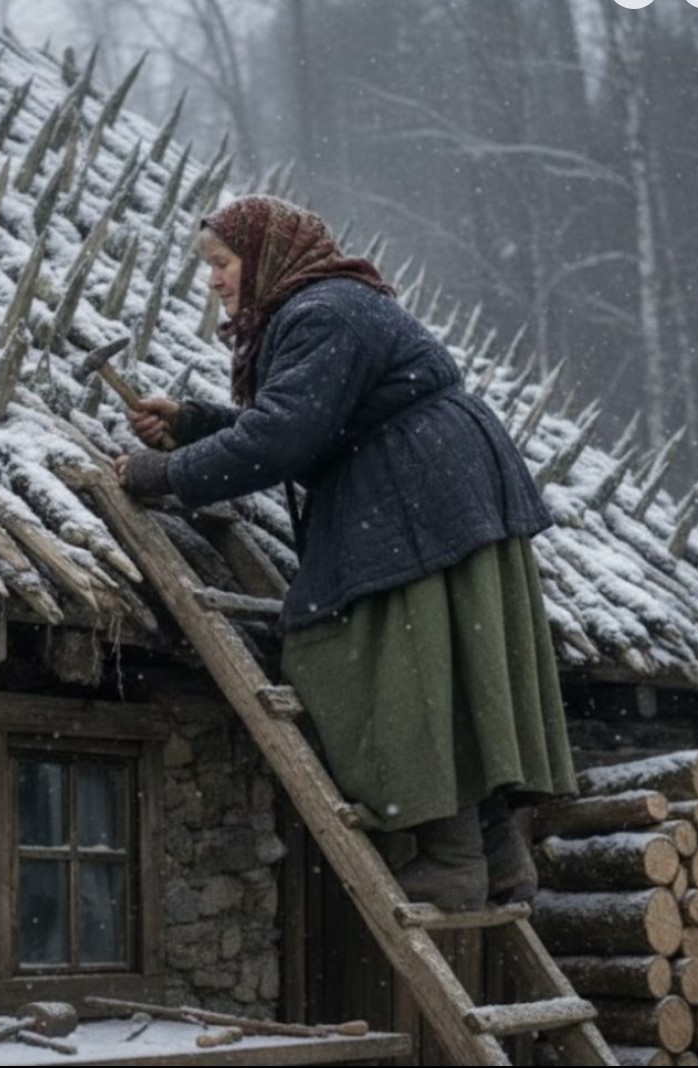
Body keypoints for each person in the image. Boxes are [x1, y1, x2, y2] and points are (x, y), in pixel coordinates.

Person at [114, 194, 576, 912]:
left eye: (222, 262)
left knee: (390, 666)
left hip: (415, 498)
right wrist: (197, 426)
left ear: (266, 257)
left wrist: (165, 475)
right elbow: (312, 421)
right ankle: (497, 859)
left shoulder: (321, 313)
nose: (213, 280)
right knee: (456, 670)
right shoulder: (329, 308)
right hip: (437, 490)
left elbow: (283, 437)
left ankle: (452, 861)